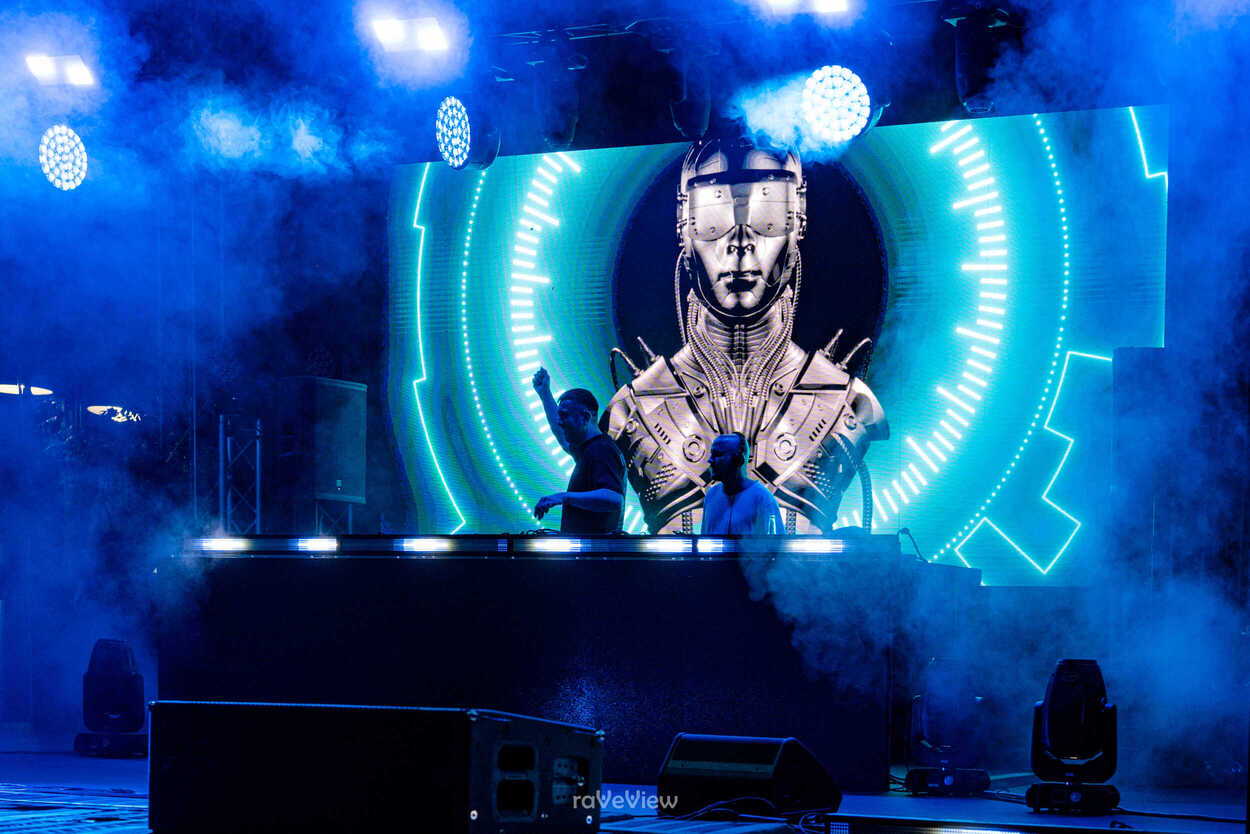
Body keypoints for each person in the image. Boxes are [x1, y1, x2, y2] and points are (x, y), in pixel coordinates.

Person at [603, 135, 888, 534]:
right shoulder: (635, 408)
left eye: (767, 215)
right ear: (684, 227)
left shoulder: (846, 403)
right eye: (713, 218)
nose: (740, 243)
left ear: (797, 222)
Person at [531, 367, 626, 534]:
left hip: (595, 550)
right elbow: (560, 434)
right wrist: (544, 393)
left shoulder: (600, 450)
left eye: (565, 415)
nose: (560, 421)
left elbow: (613, 498)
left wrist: (563, 497)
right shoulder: (590, 449)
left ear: (585, 417)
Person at [701, 433, 784, 535]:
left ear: (738, 459)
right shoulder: (711, 495)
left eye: (718, 454)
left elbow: (776, 543)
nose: (710, 460)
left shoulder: (763, 498)